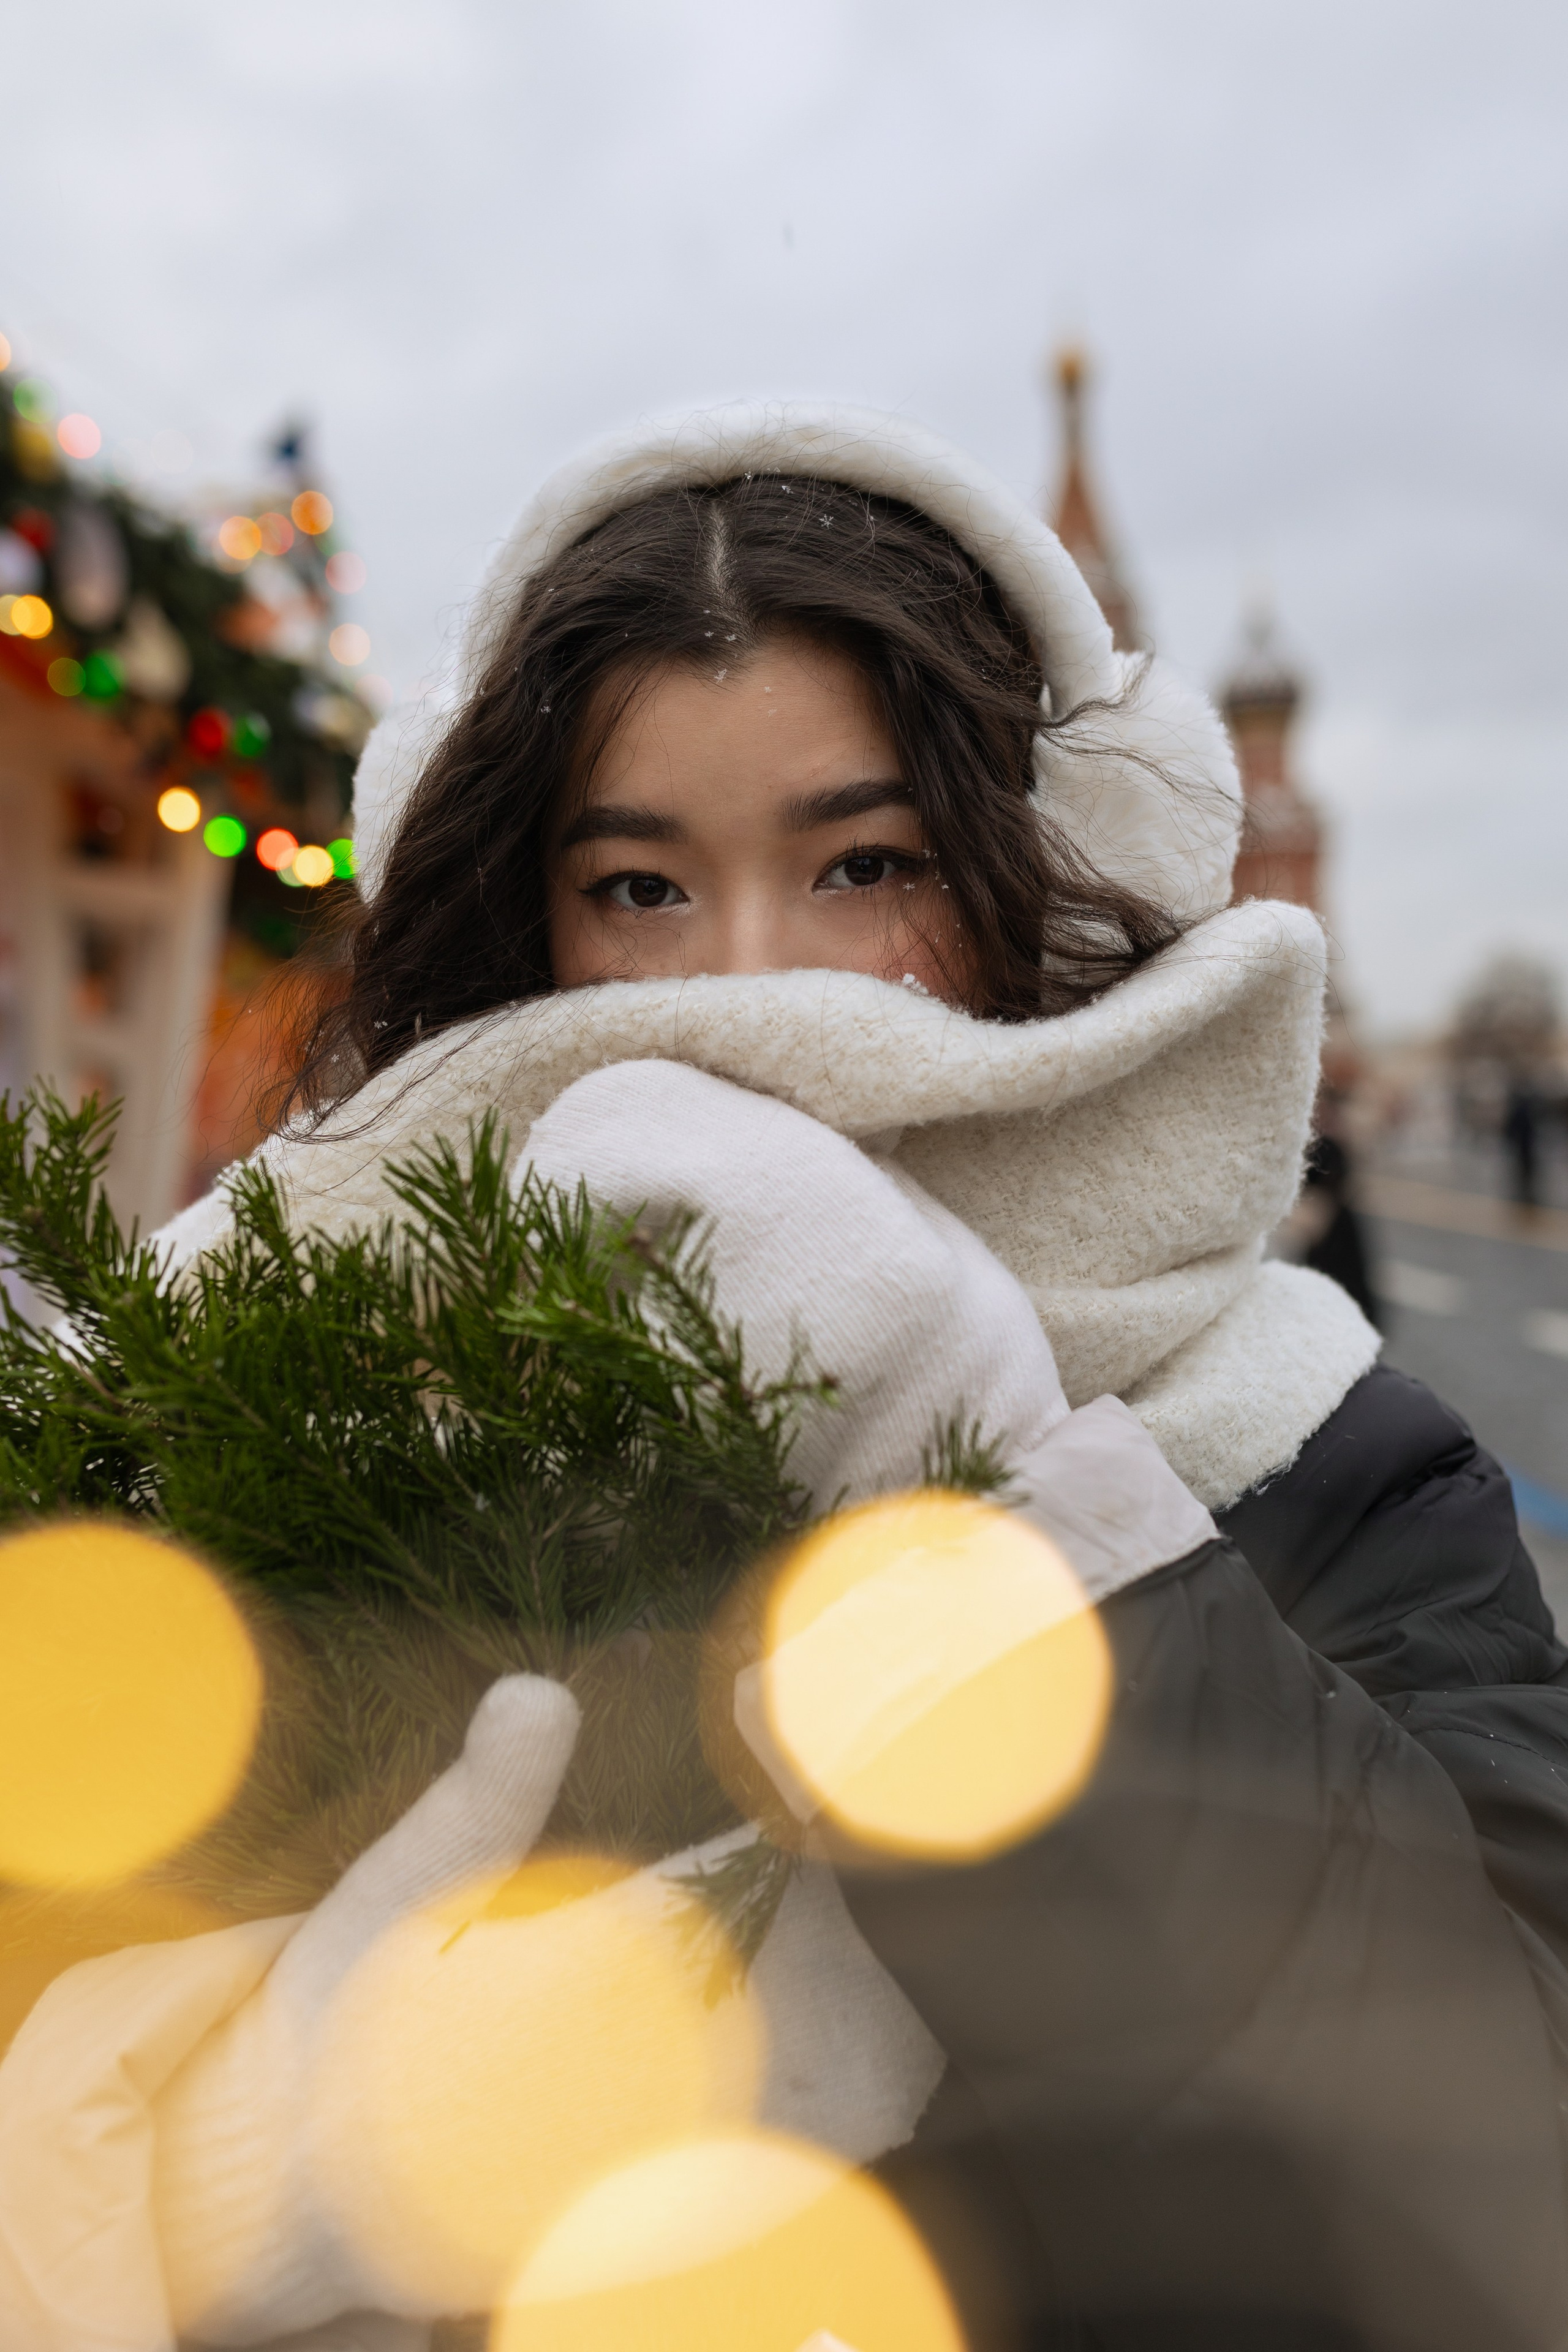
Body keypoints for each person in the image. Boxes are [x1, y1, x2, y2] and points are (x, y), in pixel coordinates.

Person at [5, 404, 1568, 2352]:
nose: (760, 986)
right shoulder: (313, 1402)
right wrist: (207, 2176)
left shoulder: (1325, 1466)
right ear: (527, 929)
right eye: (642, 891)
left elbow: (1499, 2204)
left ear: (1027, 885)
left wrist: (990, 1504)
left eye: (866, 866)